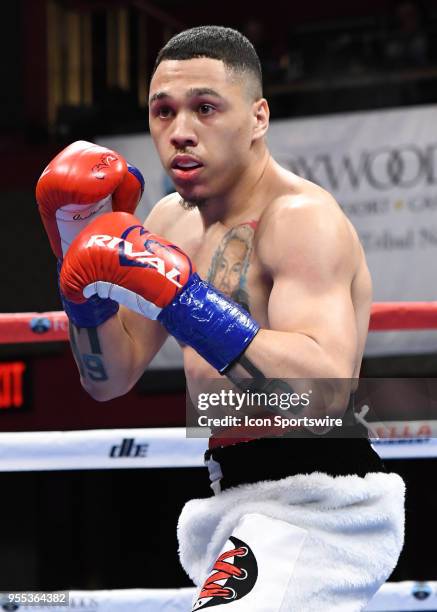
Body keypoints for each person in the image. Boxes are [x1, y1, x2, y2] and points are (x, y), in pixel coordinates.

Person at [36, 26, 405, 612]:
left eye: (205, 108)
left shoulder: (301, 218)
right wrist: (80, 282)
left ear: (258, 117)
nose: (180, 131)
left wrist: (186, 300)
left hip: (321, 501)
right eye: (163, 111)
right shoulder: (169, 222)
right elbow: (109, 379)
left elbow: (325, 392)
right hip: (234, 492)